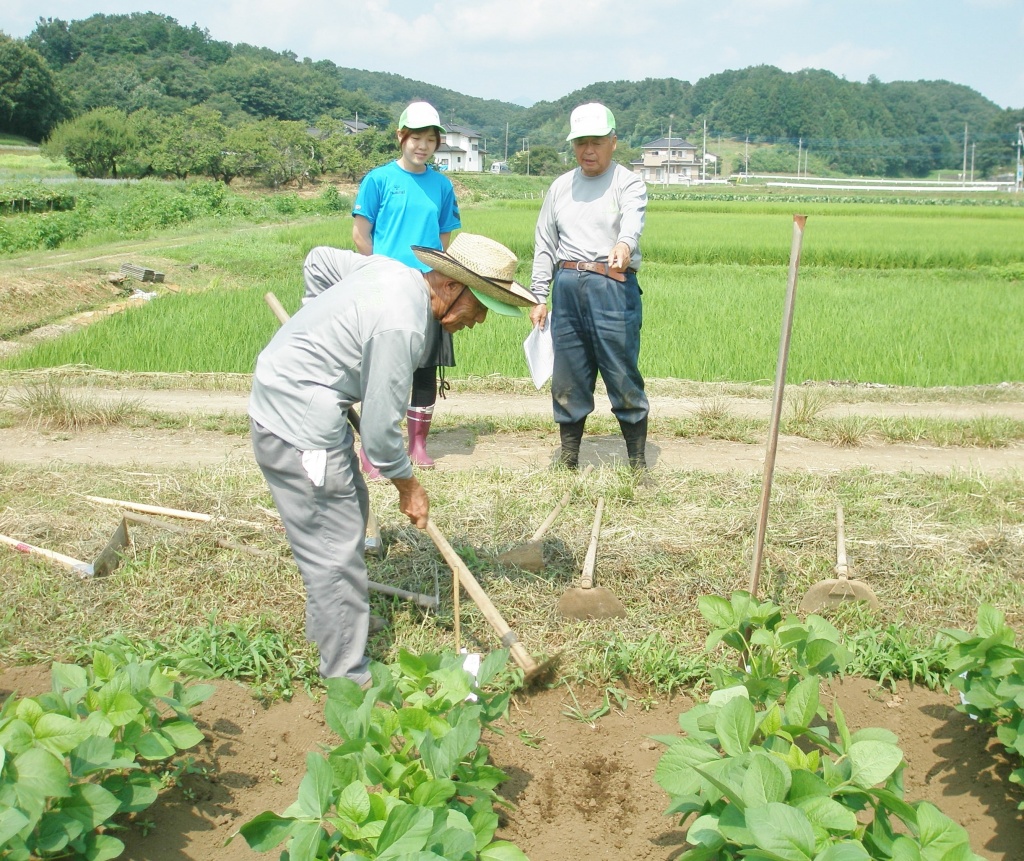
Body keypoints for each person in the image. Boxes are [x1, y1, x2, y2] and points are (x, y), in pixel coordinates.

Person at [248, 234, 536, 688]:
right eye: (479, 308)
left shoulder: (390, 272)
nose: (478, 321)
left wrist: (321, 337)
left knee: (350, 510)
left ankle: (341, 625)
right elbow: (381, 436)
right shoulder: (403, 325)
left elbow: (318, 259)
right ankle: (347, 675)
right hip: (297, 422)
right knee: (333, 547)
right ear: (450, 287)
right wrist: (409, 486)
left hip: (302, 402)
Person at [528, 102, 651, 471]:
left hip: (611, 286)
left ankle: (637, 465)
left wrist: (624, 245)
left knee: (621, 372)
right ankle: (568, 462)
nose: (588, 150)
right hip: (566, 286)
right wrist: (538, 296)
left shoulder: (626, 181)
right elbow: (544, 244)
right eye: (581, 142)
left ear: (613, 142)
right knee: (568, 375)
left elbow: (633, 220)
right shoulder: (560, 187)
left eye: (596, 141)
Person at [351, 100, 461, 475]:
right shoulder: (379, 180)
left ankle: (417, 444)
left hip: (427, 287)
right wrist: (383, 269)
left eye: (431, 139)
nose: (423, 146)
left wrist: (434, 274)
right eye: (416, 138)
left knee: (424, 368)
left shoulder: (442, 185)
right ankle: (373, 448)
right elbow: (360, 234)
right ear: (401, 137)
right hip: (384, 285)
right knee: (381, 369)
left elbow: (444, 236)